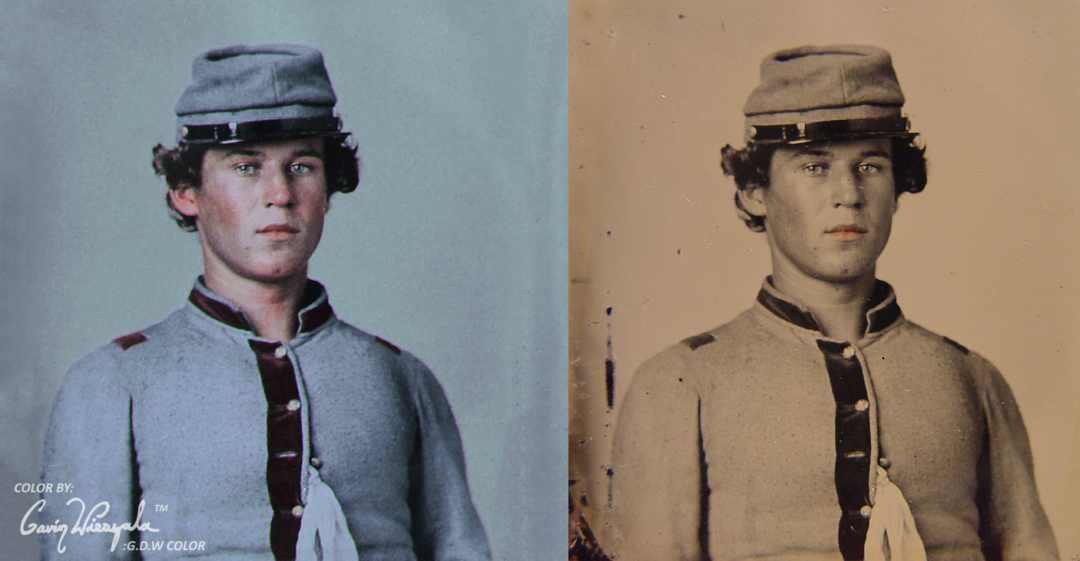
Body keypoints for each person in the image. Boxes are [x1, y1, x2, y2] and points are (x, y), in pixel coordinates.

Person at [38, 43, 490, 561]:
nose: (279, 193)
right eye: (246, 167)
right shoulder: (112, 383)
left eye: (301, 166)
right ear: (187, 191)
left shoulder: (403, 380)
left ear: (329, 186)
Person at [606, 45, 1058, 561]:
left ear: (898, 186)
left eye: (870, 164)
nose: (848, 193)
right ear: (756, 190)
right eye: (814, 167)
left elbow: (1031, 549)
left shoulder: (973, 378)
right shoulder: (681, 382)